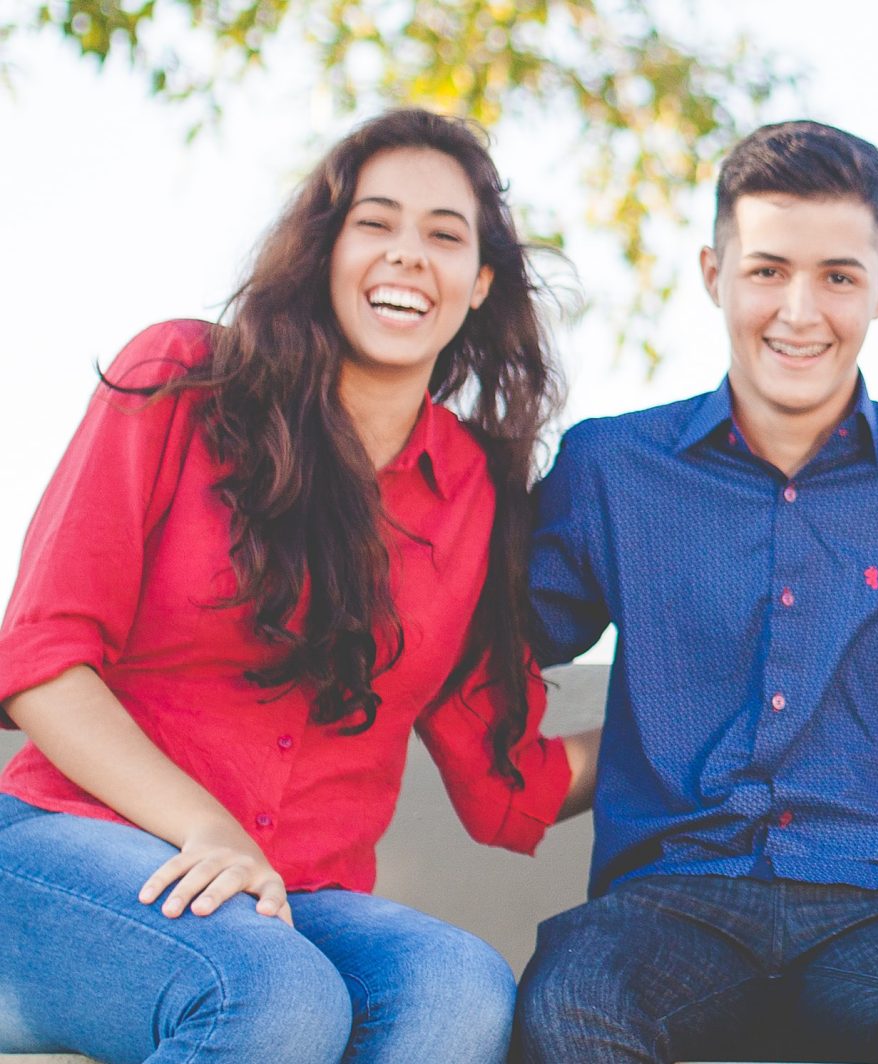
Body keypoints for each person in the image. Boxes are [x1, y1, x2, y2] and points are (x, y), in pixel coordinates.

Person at [0, 109, 590, 1064]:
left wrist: (704, 723)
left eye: (444, 236)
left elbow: (503, 783)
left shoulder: (475, 491)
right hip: (64, 850)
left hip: (295, 900)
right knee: (272, 994)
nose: (407, 256)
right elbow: (40, 660)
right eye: (376, 223)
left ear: (479, 284)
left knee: (459, 992)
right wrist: (209, 829)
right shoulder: (183, 379)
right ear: (325, 252)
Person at [509, 119, 878, 1064]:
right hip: (669, 901)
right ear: (713, 273)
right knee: (571, 1001)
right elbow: (480, 638)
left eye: (838, 277)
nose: (799, 312)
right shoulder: (612, 467)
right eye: (767, 270)